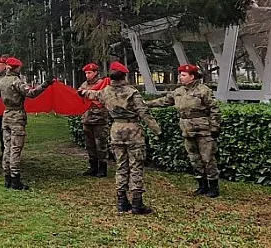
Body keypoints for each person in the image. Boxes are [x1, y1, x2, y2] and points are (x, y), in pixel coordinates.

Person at [79, 62, 161, 214]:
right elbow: (144, 113)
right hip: (133, 132)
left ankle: (122, 201)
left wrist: (82, 92)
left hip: (116, 131)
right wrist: (157, 131)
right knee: (136, 166)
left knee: (121, 166)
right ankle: (137, 203)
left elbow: (93, 94)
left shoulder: (105, 91)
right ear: (125, 75)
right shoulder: (132, 92)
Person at [145, 63, 222, 197]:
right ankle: (202, 185)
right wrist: (146, 104)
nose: (180, 77)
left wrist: (215, 127)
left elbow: (214, 109)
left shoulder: (203, 90)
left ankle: (213, 187)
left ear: (192, 76)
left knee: (208, 158)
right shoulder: (178, 91)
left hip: (203, 130)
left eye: (183, 75)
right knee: (194, 158)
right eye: (180, 74)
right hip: (187, 129)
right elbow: (164, 101)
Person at [0, 56, 51, 190]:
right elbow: (32, 93)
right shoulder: (16, 82)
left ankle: (7, 178)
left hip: (6, 115)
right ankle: (15, 179)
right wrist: (45, 85)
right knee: (16, 149)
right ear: (16, 68)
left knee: (7, 147)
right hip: (17, 116)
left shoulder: (1, 81)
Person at [78, 62, 111, 177]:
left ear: (96, 73)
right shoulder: (84, 85)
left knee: (101, 144)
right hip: (87, 119)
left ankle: (102, 168)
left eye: (89, 73)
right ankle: (93, 167)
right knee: (90, 145)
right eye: (86, 73)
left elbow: (104, 98)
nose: (87, 75)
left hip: (99, 120)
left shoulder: (103, 84)